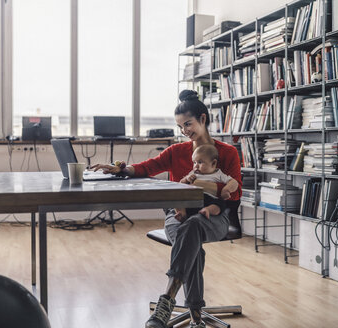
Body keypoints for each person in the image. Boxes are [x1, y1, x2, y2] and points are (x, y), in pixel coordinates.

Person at [91, 90, 242, 328]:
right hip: (178, 214)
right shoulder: (177, 152)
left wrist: (200, 184)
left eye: (188, 124)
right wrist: (119, 168)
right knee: (191, 240)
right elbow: (145, 168)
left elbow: (236, 193)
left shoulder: (227, 153)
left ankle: (167, 301)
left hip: (216, 217)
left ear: (203, 119)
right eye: (180, 127)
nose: (184, 132)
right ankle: (195, 314)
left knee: (192, 228)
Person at [175, 144, 239, 222]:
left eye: (200, 162)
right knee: (177, 198)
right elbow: (181, 183)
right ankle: (182, 214)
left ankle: (207, 210)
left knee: (220, 205)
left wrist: (226, 189)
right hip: (192, 199)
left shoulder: (219, 174)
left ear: (213, 163)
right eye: (194, 162)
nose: (196, 166)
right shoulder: (194, 173)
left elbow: (234, 182)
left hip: (210, 200)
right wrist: (187, 178)